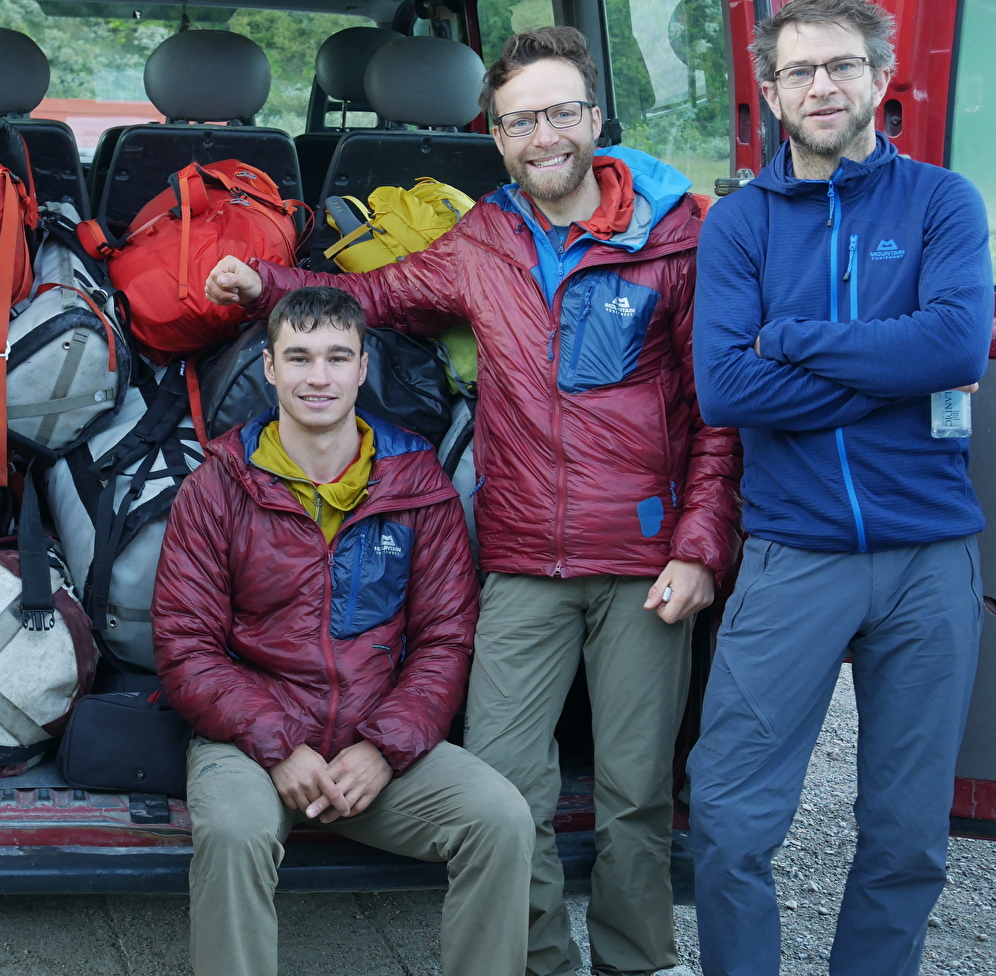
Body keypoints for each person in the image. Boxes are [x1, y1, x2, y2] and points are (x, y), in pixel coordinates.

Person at [204, 26, 742, 976]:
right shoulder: (484, 237)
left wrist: (700, 546)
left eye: (560, 113)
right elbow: (374, 295)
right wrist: (267, 288)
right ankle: (539, 961)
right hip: (521, 555)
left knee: (632, 791)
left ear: (594, 118)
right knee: (506, 782)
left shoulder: (677, 232)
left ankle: (631, 959)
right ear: (494, 135)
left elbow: (716, 413)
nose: (543, 137)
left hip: (645, 557)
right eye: (519, 120)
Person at [687, 0, 992, 973]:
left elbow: (952, 342)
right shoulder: (738, 224)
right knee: (730, 823)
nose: (822, 86)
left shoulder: (943, 202)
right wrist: (892, 374)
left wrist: (793, 341)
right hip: (793, 553)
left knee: (906, 838)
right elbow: (725, 386)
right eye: (799, 71)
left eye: (842, 66)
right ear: (770, 93)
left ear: (879, 78)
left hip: (928, 556)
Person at [152, 286, 534, 976]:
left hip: (372, 741)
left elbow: (446, 638)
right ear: (269, 369)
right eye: (298, 358)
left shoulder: (418, 485)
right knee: (235, 832)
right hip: (250, 742)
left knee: (500, 819)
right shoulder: (217, 488)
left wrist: (387, 748)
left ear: (364, 368)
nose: (318, 377)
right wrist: (276, 745)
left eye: (336, 357)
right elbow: (186, 648)